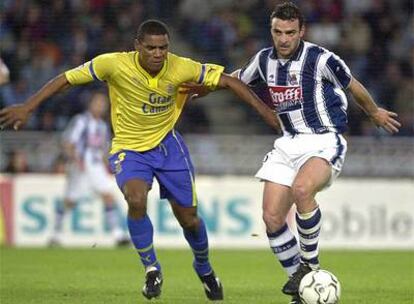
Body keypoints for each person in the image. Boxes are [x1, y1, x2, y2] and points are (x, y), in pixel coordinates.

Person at [0, 19, 279, 301]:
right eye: (151, 48)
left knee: (189, 220)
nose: (158, 54)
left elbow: (229, 81)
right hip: (129, 149)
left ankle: (205, 269)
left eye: (163, 48)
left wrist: (266, 112)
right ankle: (151, 268)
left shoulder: (181, 66)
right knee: (135, 199)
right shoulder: (113, 64)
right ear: (137, 46)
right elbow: (65, 79)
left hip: (169, 147)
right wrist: (28, 106)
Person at [182, 2, 401, 303]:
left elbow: (354, 86)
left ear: (301, 32)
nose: (283, 39)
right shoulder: (264, 60)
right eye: (277, 32)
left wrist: (374, 112)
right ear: (271, 31)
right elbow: (237, 77)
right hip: (287, 142)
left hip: (323, 140)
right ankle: (300, 287)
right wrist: (208, 86)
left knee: (301, 189)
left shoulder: (321, 59)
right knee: (272, 218)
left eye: (290, 32)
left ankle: (309, 268)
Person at [50, 91, 129, 247]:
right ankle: (55, 234)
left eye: (103, 104)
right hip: (81, 166)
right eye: (97, 103)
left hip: (96, 166)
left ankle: (118, 235)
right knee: (70, 201)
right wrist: (75, 159)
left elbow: (104, 149)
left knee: (108, 196)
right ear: (90, 104)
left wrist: (110, 164)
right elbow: (68, 142)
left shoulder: (103, 125)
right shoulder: (81, 121)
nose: (100, 106)